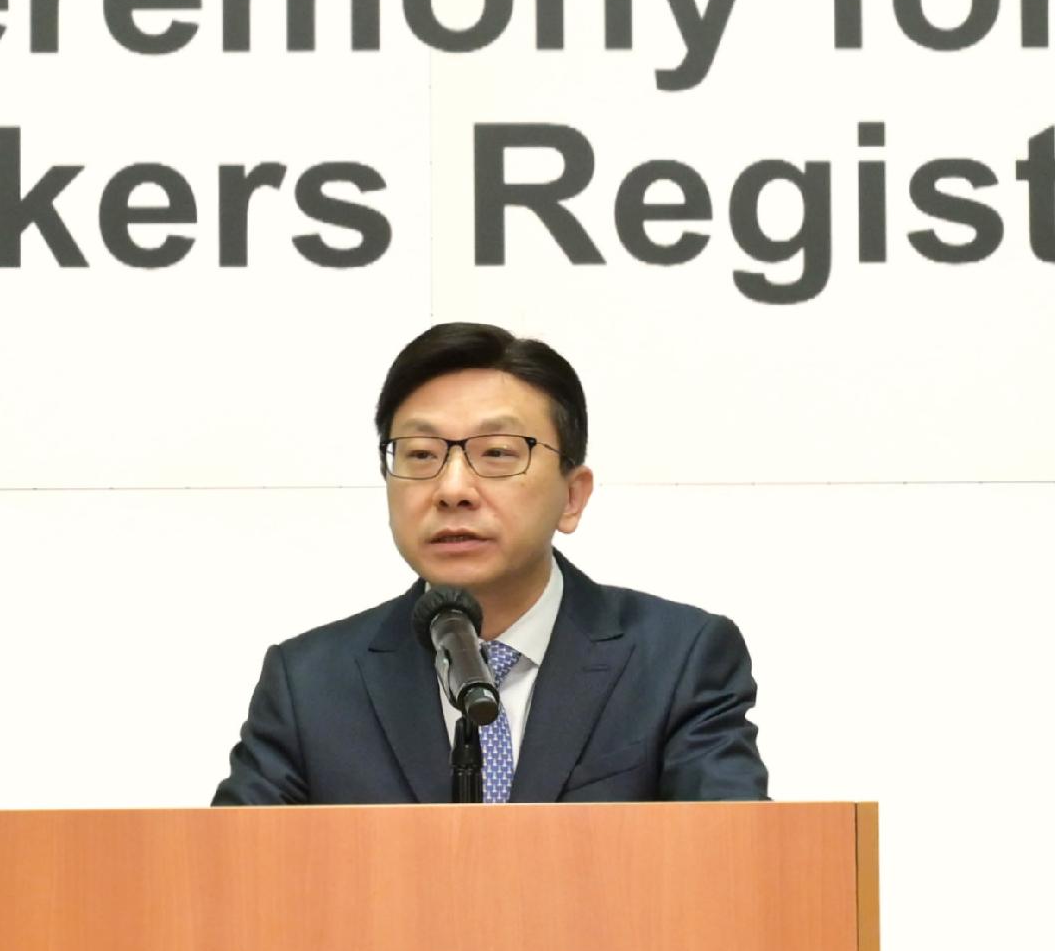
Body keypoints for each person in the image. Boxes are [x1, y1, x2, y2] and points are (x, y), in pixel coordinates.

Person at [213, 320, 769, 806]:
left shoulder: (678, 661)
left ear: (572, 497)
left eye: (498, 453)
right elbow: (234, 883)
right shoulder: (310, 684)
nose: (453, 489)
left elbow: (734, 865)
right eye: (422, 455)